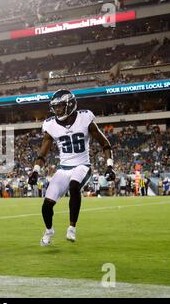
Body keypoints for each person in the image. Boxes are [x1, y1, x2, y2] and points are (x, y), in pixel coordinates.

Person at [28, 89, 115, 246]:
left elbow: (105, 144)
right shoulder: (50, 125)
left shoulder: (85, 118)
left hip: (82, 165)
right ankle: (49, 231)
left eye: (61, 106)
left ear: (70, 104)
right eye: (55, 107)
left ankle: (72, 228)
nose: (57, 110)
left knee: (74, 186)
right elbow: (42, 154)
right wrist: (35, 171)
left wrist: (110, 166)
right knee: (46, 205)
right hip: (63, 168)